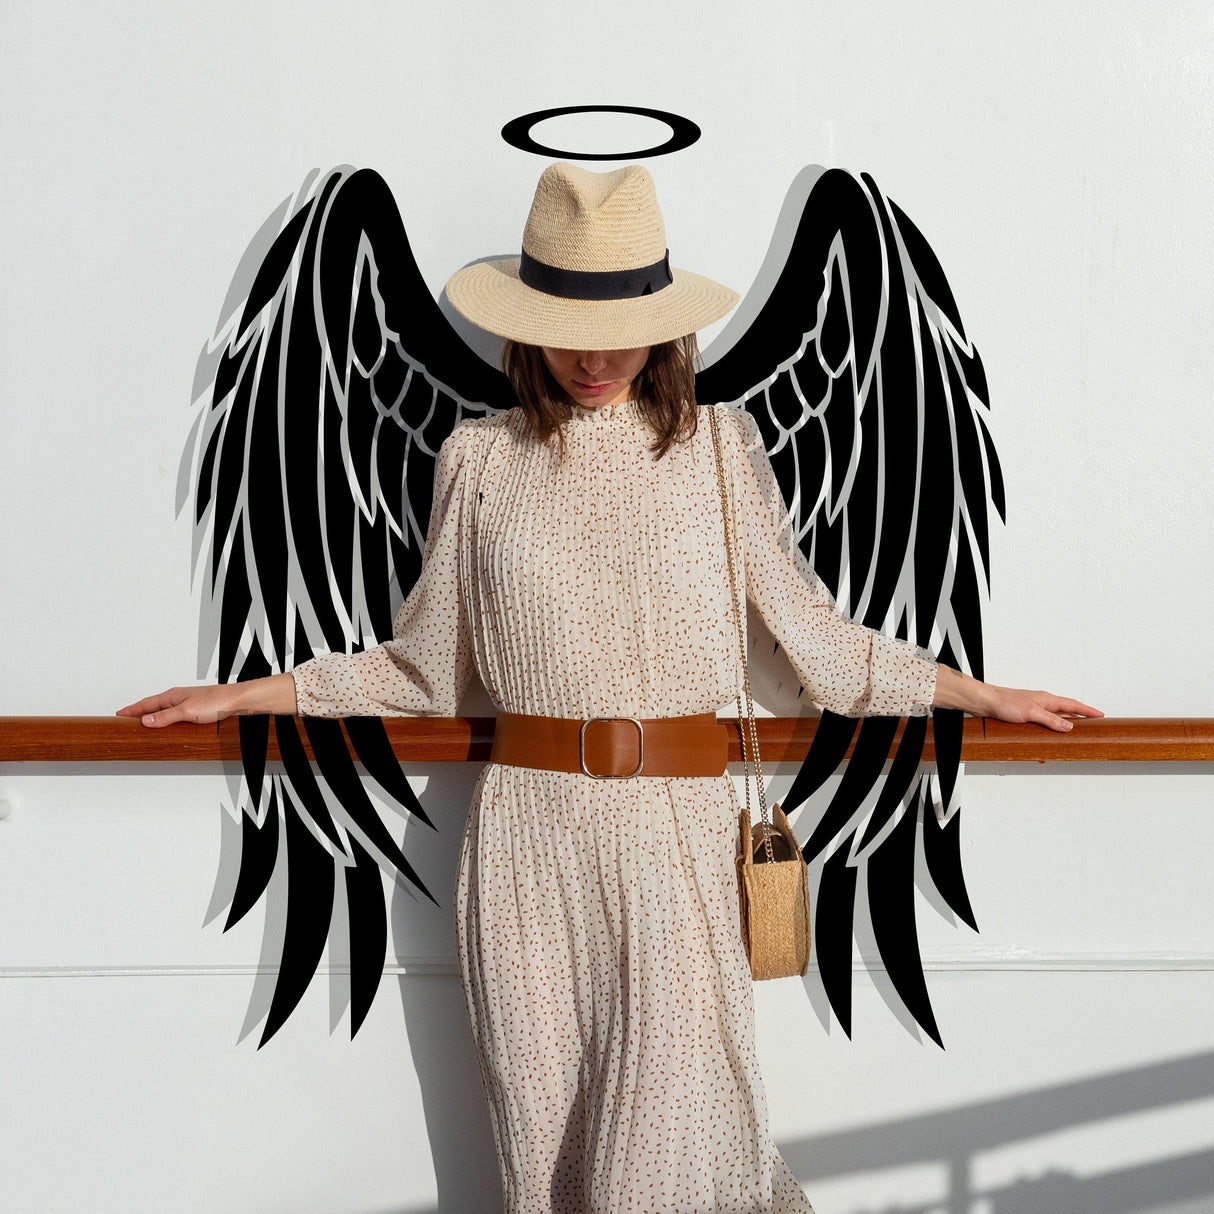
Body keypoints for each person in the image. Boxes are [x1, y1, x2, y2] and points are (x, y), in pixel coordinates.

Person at [120, 162, 1102, 1213]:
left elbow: (811, 638)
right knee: (538, 1156)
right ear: (525, 324)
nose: (593, 356)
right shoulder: (478, 458)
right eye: (563, 323)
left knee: (662, 1163)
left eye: (619, 325)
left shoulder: (722, 451)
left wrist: (971, 692)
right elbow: (424, 664)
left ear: (666, 323)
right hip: (524, 848)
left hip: (673, 840)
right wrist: (251, 694)